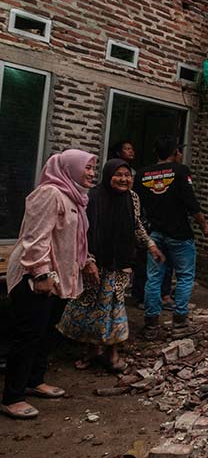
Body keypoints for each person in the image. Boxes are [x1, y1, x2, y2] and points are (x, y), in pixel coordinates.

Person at [1, 149, 96, 420]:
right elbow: (36, 238)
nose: (91, 173)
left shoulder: (76, 198)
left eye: (93, 168)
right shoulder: (50, 193)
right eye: (87, 167)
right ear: (69, 168)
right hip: (37, 277)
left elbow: (74, 240)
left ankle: (34, 380)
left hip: (60, 278)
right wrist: (41, 274)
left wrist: (86, 260)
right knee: (28, 335)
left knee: (46, 331)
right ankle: (12, 397)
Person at [57, 159, 164, 371]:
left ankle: (112, 354)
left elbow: (136, 225)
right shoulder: (92, 198)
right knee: (92, 308)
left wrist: (150, 244)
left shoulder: (132, 198)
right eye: (119, 174)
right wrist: (88, 259)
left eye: (128, 175)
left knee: (115, 307)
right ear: (108, 176)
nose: (124, 179)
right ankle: (93, 349)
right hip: (95, 263)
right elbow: (81, 233)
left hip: (121, 262)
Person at [135, 136, 208, 340]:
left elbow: (137, 204)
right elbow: (191, 203)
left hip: (155, 234)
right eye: (179, 151)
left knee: (154, 278)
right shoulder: (181, 171)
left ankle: (151, 326)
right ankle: (180, 324)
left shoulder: (142, 174)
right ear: (174, 153)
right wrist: (204, 225)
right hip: (179, 235)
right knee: (185, 277)